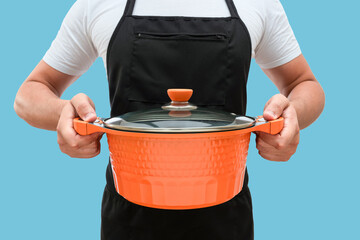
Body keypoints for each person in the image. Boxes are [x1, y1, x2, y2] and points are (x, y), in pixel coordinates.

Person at [14, 0, 325, 239]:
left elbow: (305, 84)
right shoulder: (99, 3)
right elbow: (28, 95)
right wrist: (63, 114)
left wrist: (291, 114)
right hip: (128, 218)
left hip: (226, 216)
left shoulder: (256, 3)